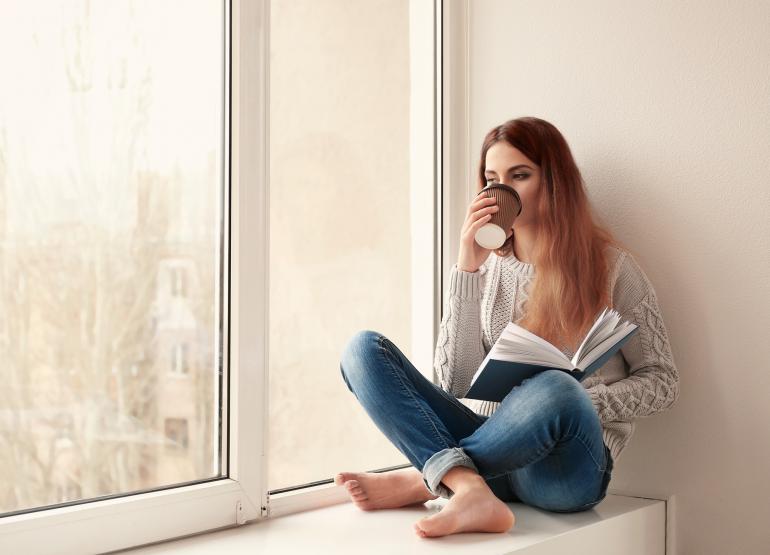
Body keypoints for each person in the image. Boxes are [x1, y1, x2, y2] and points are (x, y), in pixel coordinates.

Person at [335, 116, 681, 539]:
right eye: (491, 178)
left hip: (563, 473)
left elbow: (663, 382)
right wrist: (466, 268)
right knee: (362, 351)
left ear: (554, 182)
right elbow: (453, 381)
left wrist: (587, 399)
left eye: (520, 175)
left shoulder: (613, 269)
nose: (503, 190)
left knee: (556, 387)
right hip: (495, 459)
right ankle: (466, 487)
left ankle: (425, 478)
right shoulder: (488, 269)